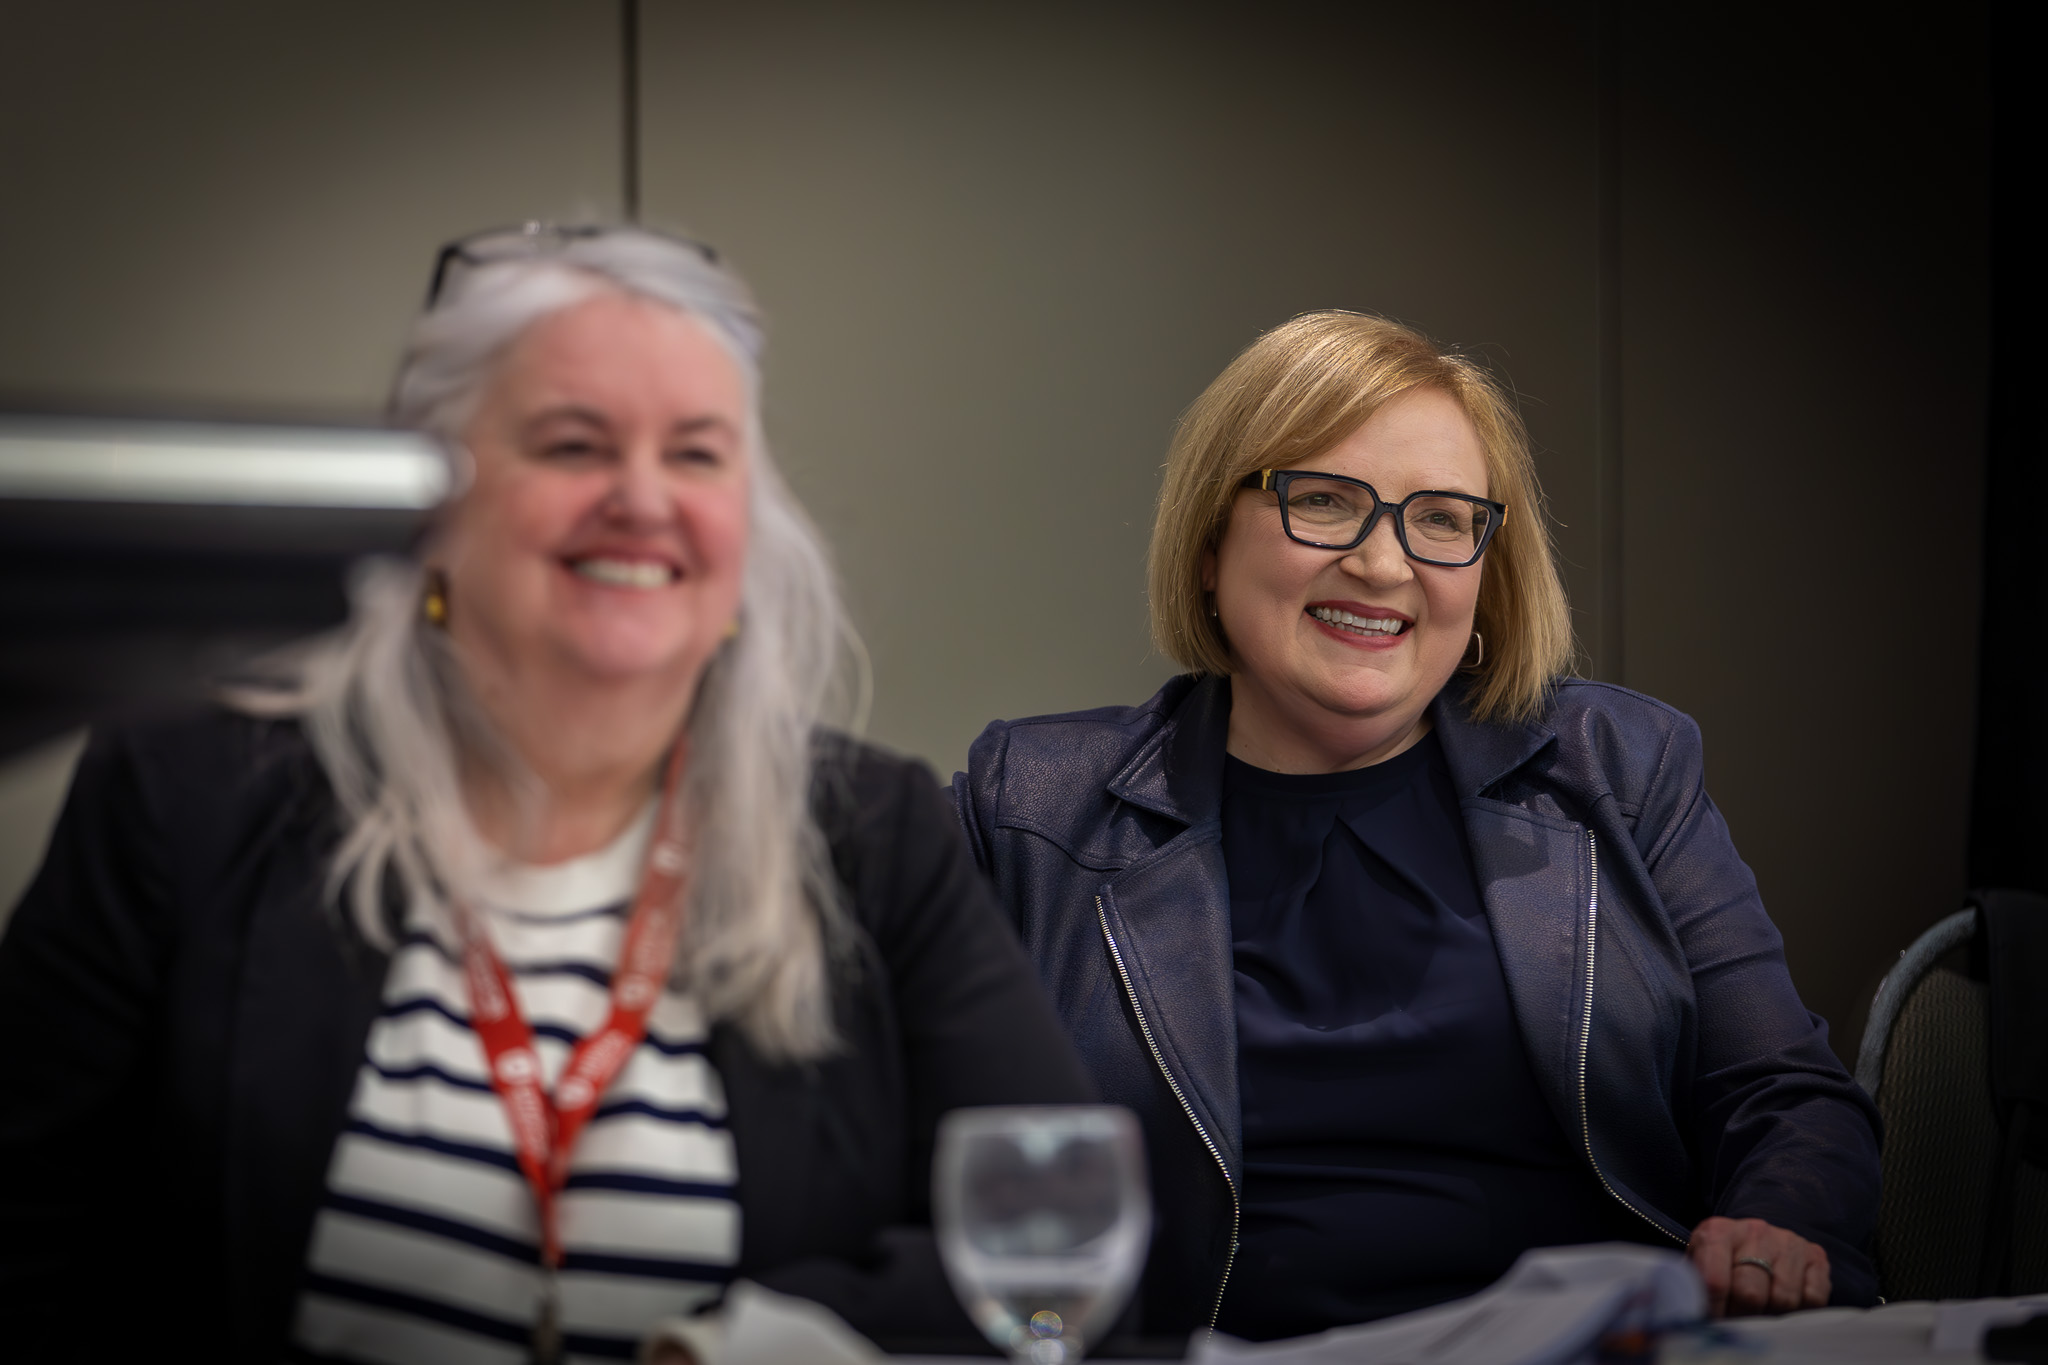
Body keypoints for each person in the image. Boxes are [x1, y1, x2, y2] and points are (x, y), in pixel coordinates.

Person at [0, 223, 1093, 1364]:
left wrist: (763, 1348)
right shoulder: (191, 797)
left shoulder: (873, 834)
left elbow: (1063, 1249)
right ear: (429, 506)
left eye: (696, 454)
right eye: (574, 445)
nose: (639, 497)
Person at [953, 311, 1883, 1341]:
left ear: (1486, 574)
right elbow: (895, 1148)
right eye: (1322, 501)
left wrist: (1771, 1227)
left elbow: (1782, 1097)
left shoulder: (1619, 769)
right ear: (1211, 543)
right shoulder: (1028, 805)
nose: (1382, 563)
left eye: (1439, 519)